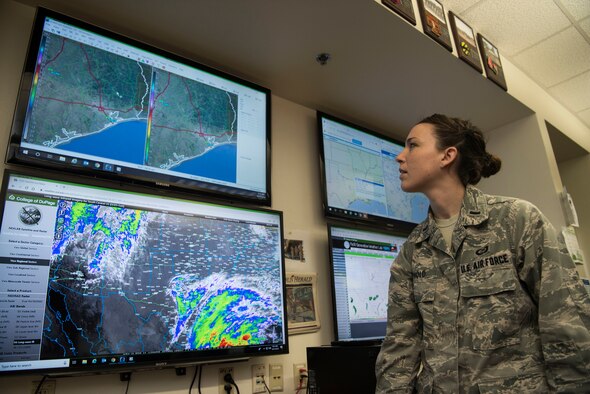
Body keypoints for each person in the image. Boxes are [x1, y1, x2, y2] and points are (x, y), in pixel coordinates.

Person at [375, 114, 590, 393]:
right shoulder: (413, 250)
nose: (400, 157)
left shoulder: (516, 220)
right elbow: (399, 346)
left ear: (447, 155)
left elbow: (566, 321)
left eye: (412, 145)